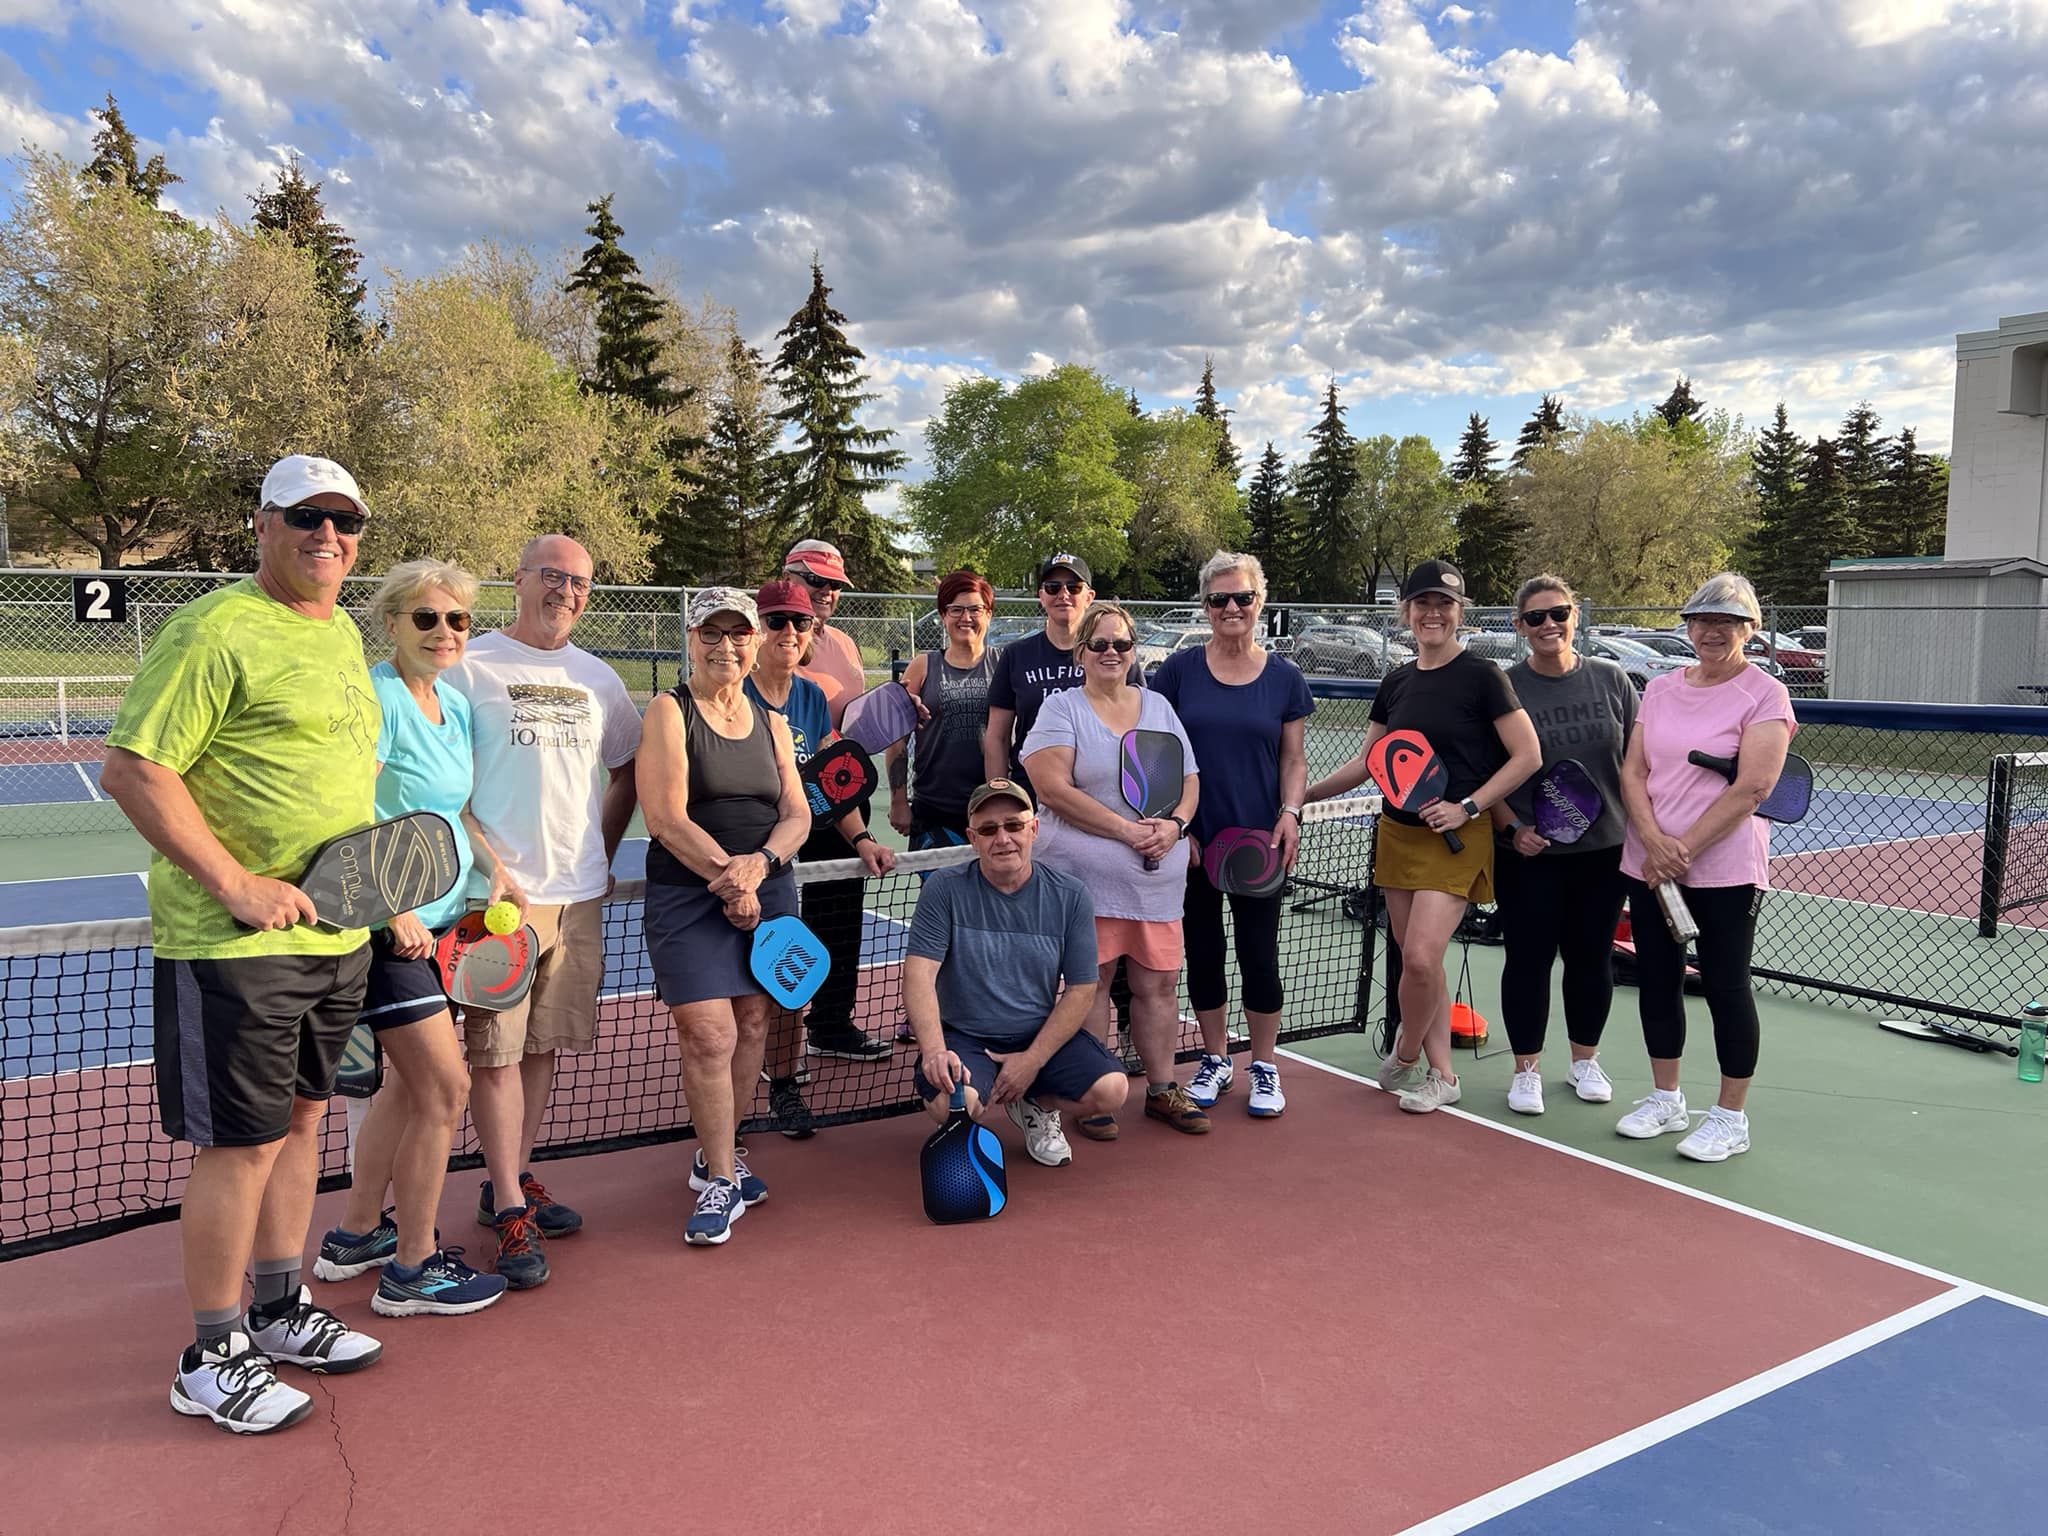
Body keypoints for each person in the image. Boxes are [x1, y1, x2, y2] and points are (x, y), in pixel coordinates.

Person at [101, 454, 385, 1434]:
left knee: (304, 1123)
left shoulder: (343, 631)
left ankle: (278, 1307)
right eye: (306, 516)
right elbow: (137, 770)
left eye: (345, 521)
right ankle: (210, 1353)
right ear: (262, 524)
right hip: (232, 947)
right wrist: (234, 883)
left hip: (335, 937)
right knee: (241, 1145)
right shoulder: (215, 628)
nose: (328, 536)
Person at [312, 560, 514, 1317]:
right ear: (391, 622)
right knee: (446, 1088)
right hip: (386, 935)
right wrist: (389, 903)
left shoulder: (452, 707)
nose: (444, 632)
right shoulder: (380, 696)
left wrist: (497, 872)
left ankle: (356, 1233)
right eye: (426, 618)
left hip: (440, 927)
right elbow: (348, 801)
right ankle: (414, 1268)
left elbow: (455, 812)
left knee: (406, 1088)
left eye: (457, 620)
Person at [445, 535, 641, 1288]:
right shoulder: (471, 665)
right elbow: (446, 789)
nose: (566, 591)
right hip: (498, 906)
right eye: (553, 576)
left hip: (581, 893)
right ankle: (505, 1205)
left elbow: (624, 767)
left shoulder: (598, 679)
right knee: (493, 1055)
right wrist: (492, 872)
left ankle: (515, 1178)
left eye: (581, 582)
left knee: (542, 1051)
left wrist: (602, 842)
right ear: (520, 580)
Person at [1308, 559, 1540, 1114]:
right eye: (1422, 604)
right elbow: (1369, 762)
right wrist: (1302, 797)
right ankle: (1444, 1075)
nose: (1432, 613)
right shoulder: (1397, 681)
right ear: (1406, 612)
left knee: (1419, 958)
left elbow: (1527, 755)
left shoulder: (1485, 678)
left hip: (1457, 840)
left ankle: (1407, 1050)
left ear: (1461, 614)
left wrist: (1467, 806)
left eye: (1445, 605)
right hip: (1399, 833)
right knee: (1422, 964)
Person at [639, 587, 812, 1244]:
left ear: (754, 641)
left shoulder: (771, 721)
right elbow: (664, 817)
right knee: (709, 1034)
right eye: (711, 633)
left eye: (738, 634)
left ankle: (722, 1153)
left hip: (767, 886)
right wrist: (727, 878)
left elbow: (797, 813)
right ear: (690, 638)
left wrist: (759, 867)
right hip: (690, 895)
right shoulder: (668, 710)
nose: (726, 646)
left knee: (752, 1021)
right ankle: (719, 1177)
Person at [1616, 572, 1794, 1162]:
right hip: (1650, 862)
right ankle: (1667, 1099)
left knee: (1724, 984)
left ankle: (1729, 1116)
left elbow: (1755, 786)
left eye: (1728, 622)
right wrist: (1651, 841)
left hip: (1725, 868)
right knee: (1658, 980)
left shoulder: (1765, 694)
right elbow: (1634, 772)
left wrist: (1682, 847)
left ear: (1750, 630)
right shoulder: (1662, 687)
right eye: (1702, 621)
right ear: (1688, 627)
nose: (1712, 632)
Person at [1022, 602, 1203, 1137]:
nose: (1110, 653)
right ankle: (1096, 1092)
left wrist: (1175, 827)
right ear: (1080, 651)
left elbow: (1189, 779)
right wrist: (1127, 833)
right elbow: (1051, 788)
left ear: (1133, 651)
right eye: (1098, 644)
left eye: (1121, 644)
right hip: (1085, 883)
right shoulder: (1062, 709)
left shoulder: (1159, 707)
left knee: (1159, 985)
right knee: (1090, 986)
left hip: (1156, 881)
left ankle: (1163, 1088)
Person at [1151, 552, 1313, 1119]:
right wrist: (1176, 824)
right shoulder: (1178, 671)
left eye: (1242, 597)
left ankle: (1264, 1065)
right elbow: (1156, 753)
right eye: (1219, 599)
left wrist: (1291, 812)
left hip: (1258, 845)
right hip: (1193, 843)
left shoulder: (1285, 678)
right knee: (1205, 952)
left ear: (1259, 603)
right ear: (1205, 606)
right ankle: (1216, 1059)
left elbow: (1293, 760)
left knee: (1259, 955)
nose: (1231, 608)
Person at [743, 577, 897, 1138]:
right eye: (776, 620)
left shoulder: (809, 696)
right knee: (741, 994)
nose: (787, 631)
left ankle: (783, 1087)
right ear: (757, 628)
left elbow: (827, 784)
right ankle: (730, 1102)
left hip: (789, 857)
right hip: (743, 854)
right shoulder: (733, 692)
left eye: (799, 622)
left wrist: (861, 840)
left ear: (812, 632)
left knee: (788, 976)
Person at [907, 779, 1128, 1166]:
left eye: (1014, 825)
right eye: (989, 830)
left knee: (1111, 1091)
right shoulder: (943, 889)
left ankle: (1037, 1104)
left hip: (1035, 1033)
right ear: (973, 838)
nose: (1003, 838)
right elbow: (919, 976)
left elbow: (1082, 988)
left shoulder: (1070, 895)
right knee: (952, 1105)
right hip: (965, 1035)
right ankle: (983, 1096)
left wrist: (1032, 1060)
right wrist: (935, 1051)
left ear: (1034, 829)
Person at [1492, 575, 1635, 1116]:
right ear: (1519, 626)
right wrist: (1512, 829)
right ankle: (1525, 1068)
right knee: (1527, 960)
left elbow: (1637, 764)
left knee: (1591, 958)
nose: (1549, 624)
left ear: (1575, 616)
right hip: (1529, 855)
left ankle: (1584, 1061)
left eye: (1558, 613)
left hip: (1604, 852)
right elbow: (1490, 772)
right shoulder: (1503, 687)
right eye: (1535, 617)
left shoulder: (1612, 680)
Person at [782, 537, 889, 1063]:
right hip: (771, 799)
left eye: (834, 586)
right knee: (774, 916)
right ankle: (771, 1042)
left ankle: (830, 1023)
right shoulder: (767, 636)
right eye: (815, 581)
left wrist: (896, 708)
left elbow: (850, 725)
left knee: (839, 911)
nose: (825, 593)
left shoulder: (845, 647)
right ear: (790, 575)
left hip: (838, 796)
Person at [888, 569, 999, 851]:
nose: (966, 618)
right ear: (942, 615)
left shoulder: (1005, 664)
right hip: (933, 810)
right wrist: (899, 801)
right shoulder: (923, 666)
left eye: (975, 609)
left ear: (988, 614)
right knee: (939, 894)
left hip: (991, 808)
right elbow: (896, 739)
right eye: (956, 610)